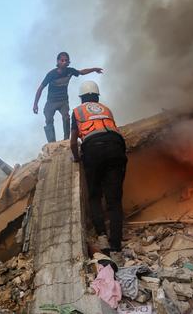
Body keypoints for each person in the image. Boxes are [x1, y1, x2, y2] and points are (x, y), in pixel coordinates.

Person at [70, 81, 127, 262]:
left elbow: (73, 141)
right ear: (97, 96)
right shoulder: (106, 109)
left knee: (95, 195)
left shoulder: (78, 111)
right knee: (115, 200)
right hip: (116, 146)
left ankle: (102, 237)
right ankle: (116, 248)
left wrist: (77, 157)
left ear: (81, 98)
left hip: (93, 148)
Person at [33, 52, 104, 142]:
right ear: (58, 61)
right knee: (48, 120)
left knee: (66, 118)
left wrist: (94, 69)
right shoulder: (51, 74)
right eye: (62, 60)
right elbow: (40, 89)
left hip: (63, 101)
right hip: (51, 102)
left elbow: (81, 72)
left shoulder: (70, 71)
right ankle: (51, 143)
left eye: (66, 61)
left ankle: (66, 140)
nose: (64, 62)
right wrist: (35, 104)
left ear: (68, 62)